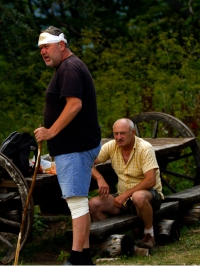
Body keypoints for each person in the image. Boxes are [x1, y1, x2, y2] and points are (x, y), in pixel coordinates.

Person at [34, 26, 101, 265]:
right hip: (73, 147)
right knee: (77, 200)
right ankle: (85, 257)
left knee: (76, 201)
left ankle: (75, 259)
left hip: (74, 147)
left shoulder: (70, 68)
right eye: (40, 48)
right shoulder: (67, 67)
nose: (43, 51)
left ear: (61, 45)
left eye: (47, 46)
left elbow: (74, 105)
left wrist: (51, 131)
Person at [89, 118, 164, 249]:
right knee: (93, 204)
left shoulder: (145, 148)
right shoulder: (111, 146)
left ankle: (149, 234)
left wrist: (126, 195)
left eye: (122, 133)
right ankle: (114, 238)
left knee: (138, 197)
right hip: (124, 199)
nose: (119, 137)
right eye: (116, 133)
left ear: (133, 132)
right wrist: (100, 178)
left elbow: (150, 180)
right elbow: (87, 162)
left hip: (149, 197)